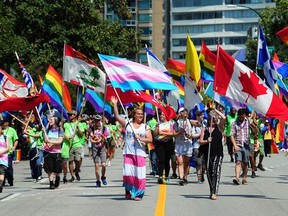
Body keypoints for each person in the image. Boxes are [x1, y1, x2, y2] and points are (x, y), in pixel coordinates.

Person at [111, 96, 152, 201]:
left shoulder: (145, 127)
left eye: (141, 114)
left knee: (139, 175)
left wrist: (141, 138)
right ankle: (128, 191)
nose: (140, 115)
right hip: (128, 153)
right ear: (134, 115)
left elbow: (150, 139)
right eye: (138, 114)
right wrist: (115, 104)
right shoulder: (128, 123)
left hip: (140, 154)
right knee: (128, 174)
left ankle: (138, 194)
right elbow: (116, 116)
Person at [199, 107, 226, 200]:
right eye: (212, 116)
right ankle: (211, 190)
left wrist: (215, 110)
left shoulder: (219, 126)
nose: (214, 118)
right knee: (209, 172)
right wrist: (207, 140)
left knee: (216, 172)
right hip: (207, 153)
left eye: (215, 116)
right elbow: (200, 141)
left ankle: (214, 192)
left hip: (218, 153)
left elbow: (224, 118)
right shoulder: (205, 129)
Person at [153, 110, 175, 184]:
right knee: (161, 160)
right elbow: (155, 134)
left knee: (167, 161)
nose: (161, 116)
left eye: (163, 114)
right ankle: (160, 176)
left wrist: (163, 133)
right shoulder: (158, 123)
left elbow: (172, 133)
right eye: (160, 114)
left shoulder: (171, 123)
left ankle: (166, 176)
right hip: (160, 143)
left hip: (168, 143)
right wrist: (157, 127)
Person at [63, 110, 84, 182]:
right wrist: (67, 138)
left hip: (77, 144)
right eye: (69, 115)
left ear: (75, 115)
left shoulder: (79, 124)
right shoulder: (66, 124)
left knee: (78, 160)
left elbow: (81, 135)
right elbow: (65, 134)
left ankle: (77, 171)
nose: (69, 116)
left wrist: (78, 128)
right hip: (69, 145)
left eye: (71, 114)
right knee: (71, 161)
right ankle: (72, 176)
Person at [230, 108, 250, 186]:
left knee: (245, 162)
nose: (241, 118)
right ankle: (237, 177)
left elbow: (255, 130)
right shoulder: (234, 123)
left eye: (242, 117)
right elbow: (231, 135)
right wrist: (234, 145)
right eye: (240, 117)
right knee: (238, 161)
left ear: (245, 115)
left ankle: (244, 177)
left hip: (246, 144)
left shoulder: (248, 122)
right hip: (238, 144)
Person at [43, 115, 64, 189]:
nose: (49, 121)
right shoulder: (47, 130)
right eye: (49, 120)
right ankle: (51, 183)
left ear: (55, 121)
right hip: (48, 152)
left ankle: (57, 178)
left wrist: (50, 141)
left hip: (57, 152)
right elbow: (45, 139)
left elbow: (60, 141)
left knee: (57, 169)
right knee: (50, 169)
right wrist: (47, 140)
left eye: (51, 120)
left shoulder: (60, 130)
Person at [174, 107, 193, 186]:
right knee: (180, 162)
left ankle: (185, 175)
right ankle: (181, 178)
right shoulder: (177, 123)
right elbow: (174, 134)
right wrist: (179, 133)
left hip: (188, 143)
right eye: (182, 111)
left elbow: (198, 125)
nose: (184, 112)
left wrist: (190, 135)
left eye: (186, 111)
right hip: (179, 144)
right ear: (179, 113)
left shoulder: (190, 121)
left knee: (186, 162)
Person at [90, 115, 108, 187]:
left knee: (103, 165)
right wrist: (95, 140)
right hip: (95, 148)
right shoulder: (91, 128)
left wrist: (102, 137)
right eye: (95, 120)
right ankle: (98, 180)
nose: (97, 122)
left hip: (102, 148)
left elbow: (105, 138)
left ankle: (103, 176)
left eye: (98, 120)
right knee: (96, 166)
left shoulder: (103, 128)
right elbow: (91, 138)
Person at [2, 117, 18, 186]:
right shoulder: (0, 130)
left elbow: (16, 140)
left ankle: (10, 179)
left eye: (4, 122)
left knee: (8, 167)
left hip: (8, 152)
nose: (2, 124)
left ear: (7, 123)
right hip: (1, 153)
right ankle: (2, 180)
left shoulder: (12, 130)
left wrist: (14, 147)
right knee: (2, 167)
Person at [0, 124, 9, 193]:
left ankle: (0, 185)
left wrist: (1, 152)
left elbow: (8, 148)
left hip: (3, 158)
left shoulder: (5, 137)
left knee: (1, 172)